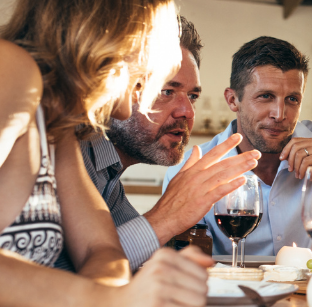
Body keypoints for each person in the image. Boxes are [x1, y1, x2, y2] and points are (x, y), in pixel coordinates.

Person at [0, 0, 252, 307]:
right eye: (163, 80)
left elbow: (102, 250)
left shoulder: (58, 128)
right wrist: (104, 301)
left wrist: (113, 302)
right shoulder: (11, 69)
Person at [50, 16, 257, 272]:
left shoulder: (110, 182)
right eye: (166, 91)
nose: (187, 112)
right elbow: (67, 275)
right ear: (115, 84)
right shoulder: (64, 152)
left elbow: (114, 256)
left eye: (192, 96)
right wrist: (169, 214)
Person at [164, 36, 312, 256]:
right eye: (266, 96)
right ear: (232, 100)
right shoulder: (190, 170)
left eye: (292, 99)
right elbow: (184, 264)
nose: (280, 114)